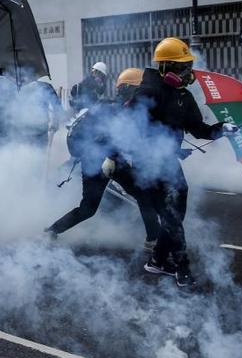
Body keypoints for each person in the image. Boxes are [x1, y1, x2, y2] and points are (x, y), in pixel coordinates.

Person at [129, 38, 238, 288]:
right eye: (181, 67)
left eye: (188, 66)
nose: (187, 72)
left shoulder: (184, 97)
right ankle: (182, 267)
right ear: (165, 67)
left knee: (177, 213)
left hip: (168, 162)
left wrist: (222, 129)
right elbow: (130, 128)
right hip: (149, 164)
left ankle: (157, 260)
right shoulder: (148, 92)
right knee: (172, 216)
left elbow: (199, 129)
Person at [46, 68, 160, 248]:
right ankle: (154, 240)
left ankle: (52, 230)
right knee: (142, 194)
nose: (144, 93)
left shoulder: (114, 106)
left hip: (95, 161)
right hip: (104, 160)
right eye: (140, 89)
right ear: (129, 89)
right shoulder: (120, 109)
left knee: (88, 209)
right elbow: (108, 138)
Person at [0, 70, 63, 153]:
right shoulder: (7, 86)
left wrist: (55, 122)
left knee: (34, 156)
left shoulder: (45, 87)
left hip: (37, 133)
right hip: (18, 133)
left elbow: (58, 108)